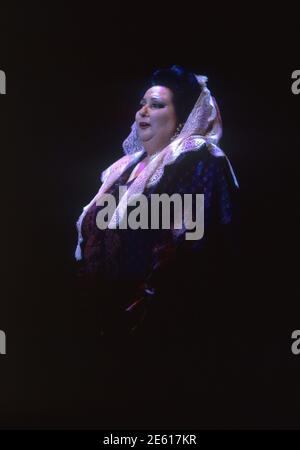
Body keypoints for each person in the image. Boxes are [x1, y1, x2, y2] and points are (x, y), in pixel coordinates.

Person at [73, 66, 240, 423]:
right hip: (106, 325)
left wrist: (150, 300)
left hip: (162, 327)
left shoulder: (200, 160)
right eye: (141, 104)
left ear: (181, 119)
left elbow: (197, 243)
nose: (142, 111)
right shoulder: (122, 169)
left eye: (156, 104)